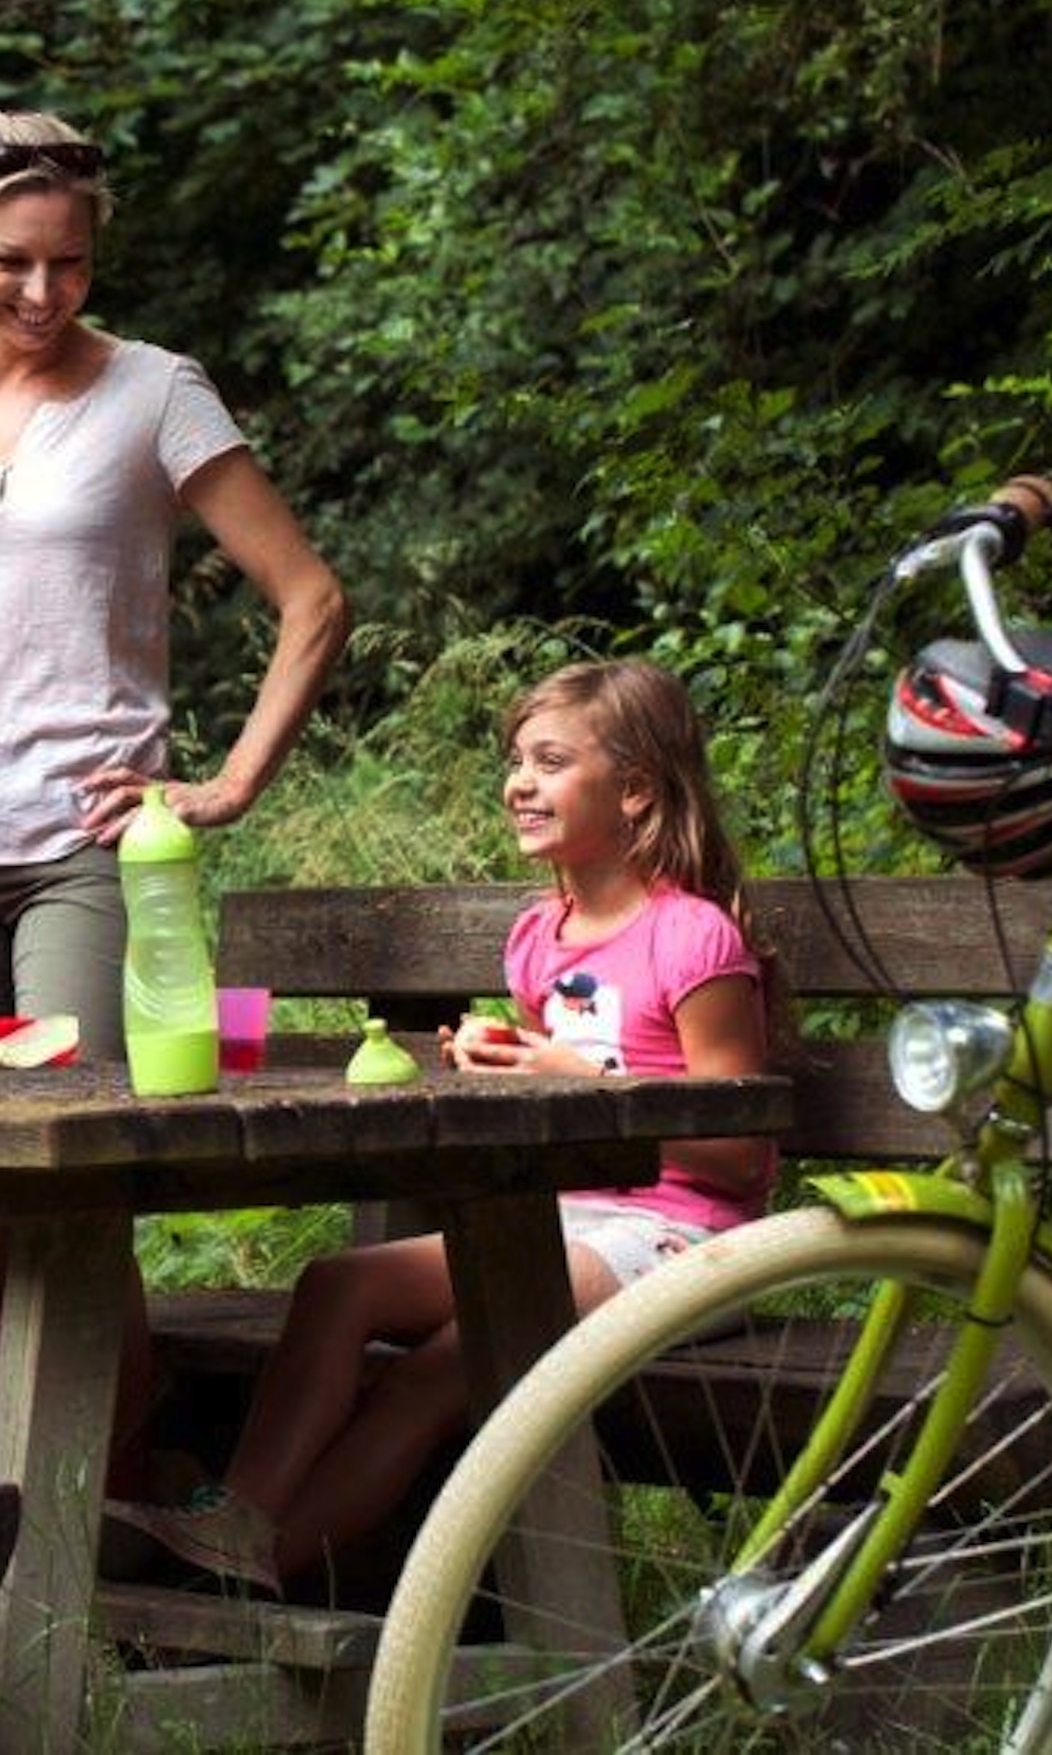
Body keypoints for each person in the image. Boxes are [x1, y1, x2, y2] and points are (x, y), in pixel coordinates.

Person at [0, 101, 348, 1478]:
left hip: (79, 850)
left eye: (72, 264)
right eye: (13, 263)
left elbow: (312, 598)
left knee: (65, 1176)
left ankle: (129, 1504)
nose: (44, 293)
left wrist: (226, 784)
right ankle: (8, 1513)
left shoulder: (154, 391)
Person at [114, 660, 776, 1589]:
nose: (519, 782)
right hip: (565, 1223)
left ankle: (254, 1578)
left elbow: (740, 1153)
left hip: (683, 1243)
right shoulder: (536, 939)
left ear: (632, 790)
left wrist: (575, 1081)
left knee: (459, 1354)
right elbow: (553, 1096)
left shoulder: (692, 935)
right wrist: (504, 1070)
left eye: (549, 762)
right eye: (515, 761)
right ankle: (237, 1522)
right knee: (337, 1285)